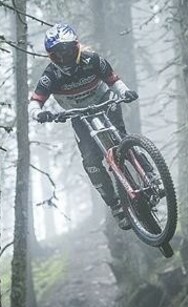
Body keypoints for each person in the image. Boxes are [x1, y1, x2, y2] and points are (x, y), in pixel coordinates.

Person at [28, 23, 139, 230]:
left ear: (76, 47)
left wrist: (125, 92)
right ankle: (115, 206)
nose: (64, 57)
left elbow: (113, 80)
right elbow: (35, 101)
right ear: (52, 56)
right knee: (91, 162)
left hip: (105, 102)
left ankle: (148, 171)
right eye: (58, 54)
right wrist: (39, 113)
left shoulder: (93, 59)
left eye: (67, 50)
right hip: (79, 116)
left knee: (123, 138)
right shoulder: (50, 75)